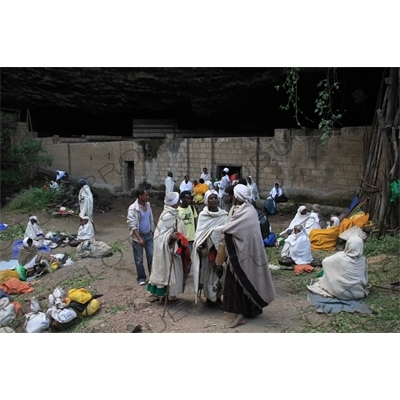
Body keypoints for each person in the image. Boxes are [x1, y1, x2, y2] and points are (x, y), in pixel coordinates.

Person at [220, 184, 276, 328]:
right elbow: (232, 229)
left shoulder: (249, 212)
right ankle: (245, 312)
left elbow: (240, 232)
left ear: (236, 197)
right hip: (235, 255)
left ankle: (242, 315)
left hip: (246, 255)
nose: (231, 197)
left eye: (233, 195)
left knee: (245, 281)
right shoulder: (234, 210)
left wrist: (225, 231)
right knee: (235, 284)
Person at [147, 192, 190, 301]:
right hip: (165, 249)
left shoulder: (174, 213)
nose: (179, 202)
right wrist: (170, 237)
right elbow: (159, 235)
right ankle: (161, 295)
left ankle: (171, 294)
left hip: (174, 248)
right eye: (178, 200)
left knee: (173, 271)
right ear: (175, 202)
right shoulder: (167, 215)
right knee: (165, 271)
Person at [192, 190, 228, 308]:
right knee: (208, 274)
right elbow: (200, 234)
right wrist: (201, 246)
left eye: (215, 198)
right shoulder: (203, 216)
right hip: (208, 252)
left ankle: (218, 298)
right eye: (211, 198)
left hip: (220, 251)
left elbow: (227, 231)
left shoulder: (224, 215)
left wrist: (217, 235)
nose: (213, 200)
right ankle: (208, 298)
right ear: (207, 201)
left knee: (220, 275)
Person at [311, 236, 369, 300]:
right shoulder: (363, 260)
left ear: (348, 245)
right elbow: (365, 277)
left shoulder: (340, 258)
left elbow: (325, 262)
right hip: (358, 293)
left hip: (341, 293)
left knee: (327, 277)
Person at [127, 189, 155, 285]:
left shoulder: (148, 205)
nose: (148, 197)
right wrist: (139, 238)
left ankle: (153, 276)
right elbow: (132, 225)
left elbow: (151, 220)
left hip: (148, 235)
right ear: (140, 196)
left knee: (151, 256)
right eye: (146, 195)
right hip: (139, 237)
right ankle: (141, 278)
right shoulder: (133, 208)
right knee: (139, 259)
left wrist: (153, 232)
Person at [178, 191, 198, 273]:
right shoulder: (178, 210)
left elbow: (195, 220)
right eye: (187, 198)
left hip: (191, 238)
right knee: (180, 257)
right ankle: (181, 272)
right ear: (182, 199)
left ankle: (186, 273)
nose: (189, 200)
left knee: (189, 257)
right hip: (182, 238)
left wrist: (196, 233)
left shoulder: (192, 208)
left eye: (190, 198)